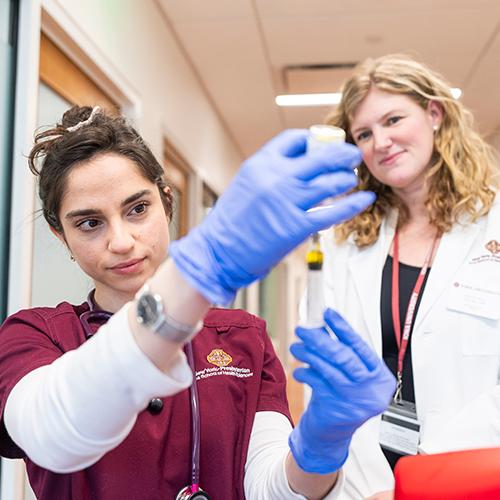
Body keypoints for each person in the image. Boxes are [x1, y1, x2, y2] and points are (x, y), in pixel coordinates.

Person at [0, 105, 395, 500]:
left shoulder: (242, 337)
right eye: (90, 223)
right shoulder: (33, 336)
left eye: (138, 209)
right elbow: (53, 432)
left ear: (166, 203)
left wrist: (321, 447)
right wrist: (202, 266)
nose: (120, 241)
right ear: (60, 234)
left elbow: (268, 490)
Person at [320, 53, 500, 499]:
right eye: (364, 133)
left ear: (434, 114)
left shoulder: (494, 222)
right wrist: (378, 488)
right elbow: (333, 376)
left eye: (393, 119)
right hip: (367, 478)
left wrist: (427, 477)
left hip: (474, 471)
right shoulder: (344, 241)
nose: (381, 141)